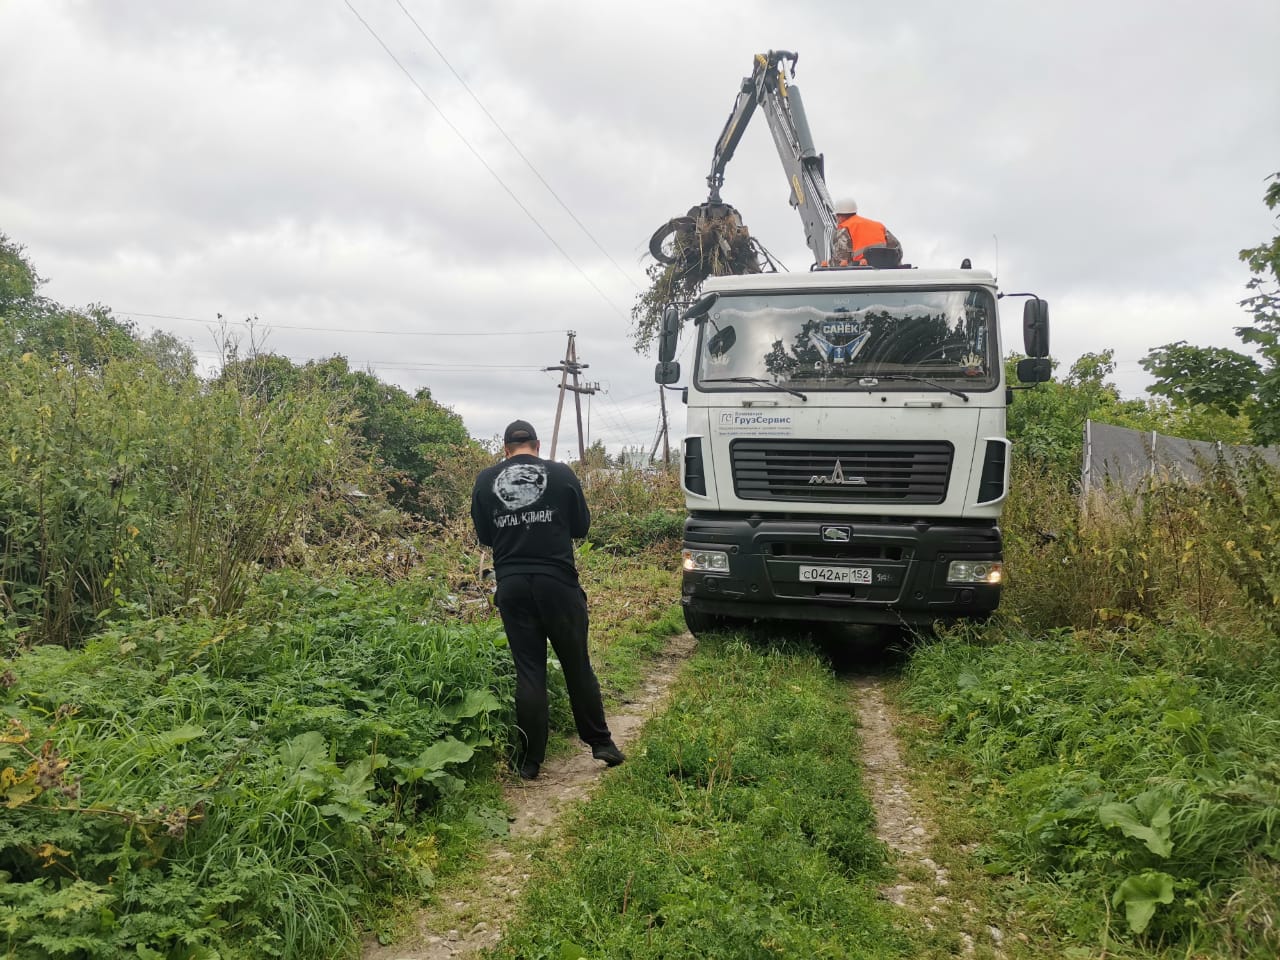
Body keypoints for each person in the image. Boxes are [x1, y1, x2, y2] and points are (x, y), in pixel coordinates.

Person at [470, 419, 624, 780]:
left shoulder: (485, 480)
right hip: (557, 583)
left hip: (512, 586)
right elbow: (581, 528)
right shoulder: (562, 474)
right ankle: (600, 743)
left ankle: (530, 762)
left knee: (530, 672)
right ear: (536, 446)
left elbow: (485, 536)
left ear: (506, 449)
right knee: (576, 664)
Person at [829, 197, 902, 265]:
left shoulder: (844, 230)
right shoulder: (879, 226)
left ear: (840, 216)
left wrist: (829, 265)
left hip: (860, 271)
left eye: (836, 217)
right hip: (886, 269)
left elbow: (840, 260)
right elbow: (897, 250)